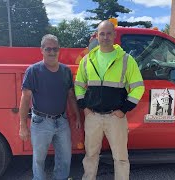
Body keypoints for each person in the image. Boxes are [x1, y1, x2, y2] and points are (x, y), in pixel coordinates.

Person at [75, 20, 145, 180]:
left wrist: (124, 109)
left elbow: (138, 87)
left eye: (108, 33)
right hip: (93, 116)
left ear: (114, 35)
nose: (105, 37)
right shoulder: (87, 60)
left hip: (116, 117)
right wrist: (84, 107)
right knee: (90, 155)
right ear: (97, 36)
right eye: (102, 33)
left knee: (120, 157)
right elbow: (78, 85)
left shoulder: (126, 60)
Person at [19, 34, 81, 180]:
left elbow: (71, 96)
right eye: (48, 49)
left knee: (65, 158)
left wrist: (77, 116)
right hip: (41, 121)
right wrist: (22, 125)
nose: (52, 52)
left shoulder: (65, 71)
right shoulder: (33, 71)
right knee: (39, 159)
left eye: (55, 49)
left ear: (59, 50)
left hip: (62, 120)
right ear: (41, 50)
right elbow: (25, 98)